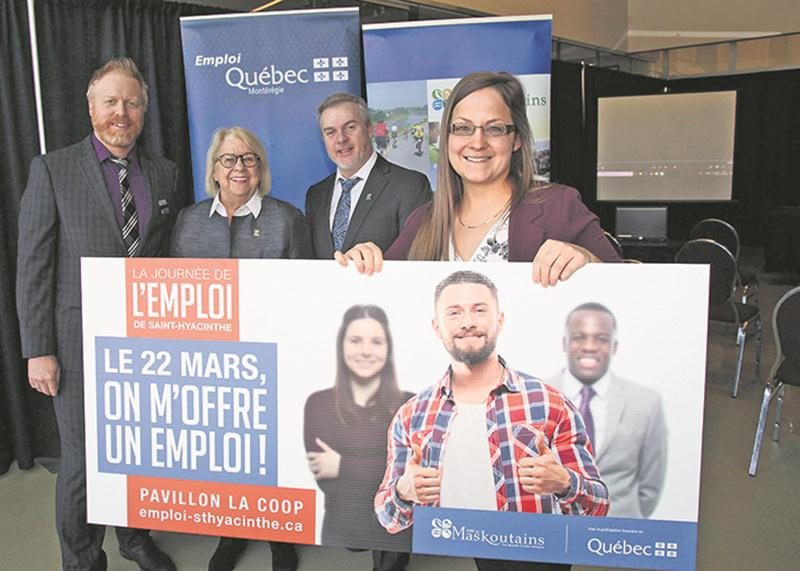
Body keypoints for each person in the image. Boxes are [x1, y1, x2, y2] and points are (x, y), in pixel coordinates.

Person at [16, 57, 180, 571]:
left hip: (143, 342)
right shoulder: (53, 169)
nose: (121, 113)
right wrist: (38, 350)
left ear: (144, 112)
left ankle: (134, 539)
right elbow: (33, 266)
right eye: (110, 101)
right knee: (83, 461)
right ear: (91, 108)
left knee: (137, 450)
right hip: (75, 342)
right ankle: (83, 560)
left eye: (131, 103)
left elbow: (164, 258)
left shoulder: (165, 172)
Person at [375, 271, 608, 571]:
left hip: (538, 560)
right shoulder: (412, 415)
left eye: (479, 310)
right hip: (450, 559)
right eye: (454, 312)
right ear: (437, 327)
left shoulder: (550, 403)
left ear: (499, 321)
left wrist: (564, 482)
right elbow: (387, 517)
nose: (467, 322)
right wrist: (404, 491)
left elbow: (598, 506)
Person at [171, 126, 309, 571]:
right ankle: (232, 529)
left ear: (260, 168)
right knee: (227, 452)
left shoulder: (287, 219)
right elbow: (176, 290)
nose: (239, 168)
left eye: (249, 158)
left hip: (273, 358)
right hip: (213, 363)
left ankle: (279, 535)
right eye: (229, 159)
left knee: (274, 449)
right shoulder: (189, 221)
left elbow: (306, 293)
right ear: (214, 169)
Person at [336, 71, 621, 282]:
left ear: (516, 139)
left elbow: (628, 289)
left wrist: (589, 261)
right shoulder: (423, 220)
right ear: (447, 138)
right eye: (463, 128)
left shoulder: (559, 205)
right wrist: (361, 263)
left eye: (494, 129)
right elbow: (382, 296)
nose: (477, 142)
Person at [304, 306, 413, 571]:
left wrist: (344, 463)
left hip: (397, 521)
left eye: (376, 341)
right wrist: (383, 465)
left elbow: (413, 473)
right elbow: (324, 477)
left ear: (388, 348)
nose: (366, 350)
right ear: (341, 345)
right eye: (355, 340)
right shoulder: (319, 403)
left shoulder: (410, 403)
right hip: (344, 521)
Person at [547, 303, 668, 519]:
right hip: (552, 525)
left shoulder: (646, 403)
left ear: (614, 346)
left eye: (601, 339)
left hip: (620, 526)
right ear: (565, 343)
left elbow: (651, 486)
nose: (589, 347)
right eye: (579, 337)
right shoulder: (536, 396)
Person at [305, 92, 431, 260]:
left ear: (369, 129)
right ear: (323, 139)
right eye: (330, 132)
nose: (341, 139)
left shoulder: (410, 186)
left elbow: (418, 258)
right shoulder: (316, 195)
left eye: (350, 127)